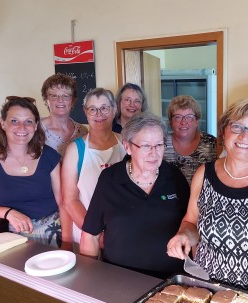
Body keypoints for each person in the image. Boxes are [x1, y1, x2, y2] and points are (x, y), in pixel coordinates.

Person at [167, 98, 248, 301]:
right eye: (237, 126)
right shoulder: (204, 174)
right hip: (206, 291)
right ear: (224, 130)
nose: (244, 136)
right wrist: (184, 235)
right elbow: (191, 222)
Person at [80, 112, 190, 278]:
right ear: (127, 147)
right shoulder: (110, 179)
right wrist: (89, 279)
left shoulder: (174, 176)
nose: (154, 153)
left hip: (170, 281)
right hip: (119, 279)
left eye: (159, 145)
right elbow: (90, 236)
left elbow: (192, 224)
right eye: (146, 146)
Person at [0, 96, 66, 247]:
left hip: (51, 232)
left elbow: (63, 203)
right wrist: (7, 213)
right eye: (14, 121)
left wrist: (68, 240)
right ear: (3, 123)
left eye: (28, 122)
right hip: (5, 234)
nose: (22, 128)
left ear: (36, 125)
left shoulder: (50, 156)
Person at [61, 88, 126, 251]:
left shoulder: (126, 144)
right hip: (86, 233)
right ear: (85, 112)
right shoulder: (75, 150)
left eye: (104, 108)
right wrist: (96, 234)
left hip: (121, 233)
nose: (99, 114)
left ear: (114, 109)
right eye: (92, 109)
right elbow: (70, 200)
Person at [164, 95, 217, 185]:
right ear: (170, 122)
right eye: (178, 117)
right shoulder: (160, 143)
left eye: (189, 117)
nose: (183, 122)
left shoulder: (212, 143)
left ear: (197, 121)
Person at [40, 74, 88, 157]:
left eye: (66, 96)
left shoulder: (82, 131)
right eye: (54, 96)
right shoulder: (36, 129)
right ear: (46, 100)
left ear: (73, 101)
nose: (60, 100)